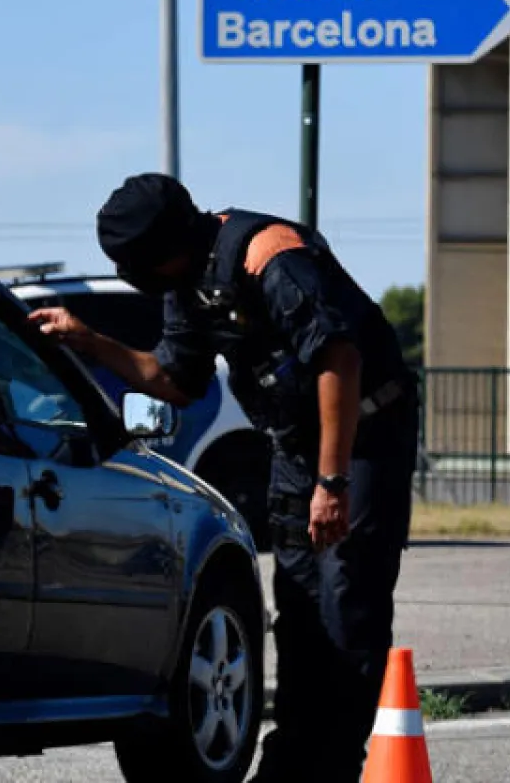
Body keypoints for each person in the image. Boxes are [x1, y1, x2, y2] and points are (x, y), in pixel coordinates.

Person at [27, 173, 419, 781]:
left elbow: (339, 357)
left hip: (362, 439)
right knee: (300, 607)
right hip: (295, 447)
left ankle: (335, 766)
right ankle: (291, 764)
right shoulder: (185, 283)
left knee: (347, 606)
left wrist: (333, 483)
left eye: (135, 263)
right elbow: (173, 380)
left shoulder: (269, 255)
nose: (137, 276)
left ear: (167, 246)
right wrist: (88, 340)